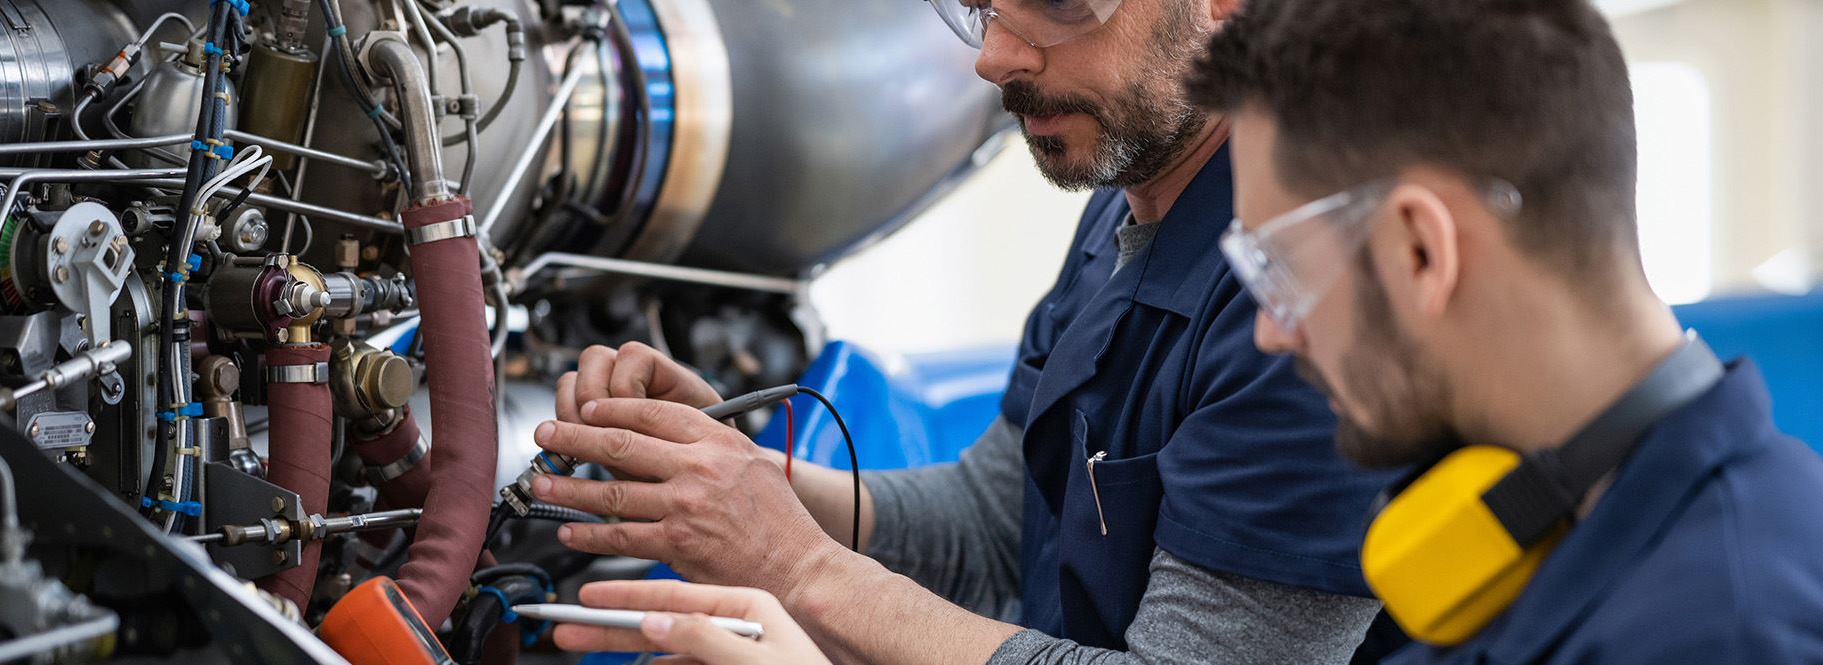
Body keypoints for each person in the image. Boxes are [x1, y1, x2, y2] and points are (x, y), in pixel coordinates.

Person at [536, 0, 1398, 662]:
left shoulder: (1315, 304)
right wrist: (742, 479)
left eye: (1060, 2)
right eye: (981, 6)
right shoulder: (1130, 201)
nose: (993, 58)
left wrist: (800, 566)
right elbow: (1000, 525)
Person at [1184, 0, 1823, 661]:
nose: (1270, 331)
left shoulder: (1729, 634)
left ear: (1419, 249)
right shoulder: (1539, 530)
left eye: (1278, 268)